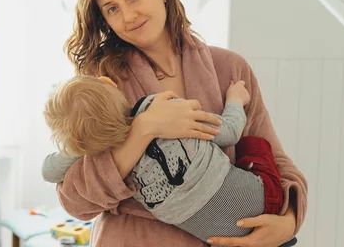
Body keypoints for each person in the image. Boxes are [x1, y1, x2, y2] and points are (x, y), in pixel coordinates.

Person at [56, 0, 307, 247]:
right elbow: (75, 201)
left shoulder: (229, 68)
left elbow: (277, 160)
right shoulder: (103, 83)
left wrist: (288, 222)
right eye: (112, 9)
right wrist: (143, 129)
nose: (128, 15)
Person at [41, 74, 286, 243]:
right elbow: (230, 131)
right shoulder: (162, 107)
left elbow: (48, 171)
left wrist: (80, 147)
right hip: (263, 203)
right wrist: (235, 99)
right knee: (256, 145)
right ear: (108, 83)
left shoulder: (109, 163)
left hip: (221, 237)